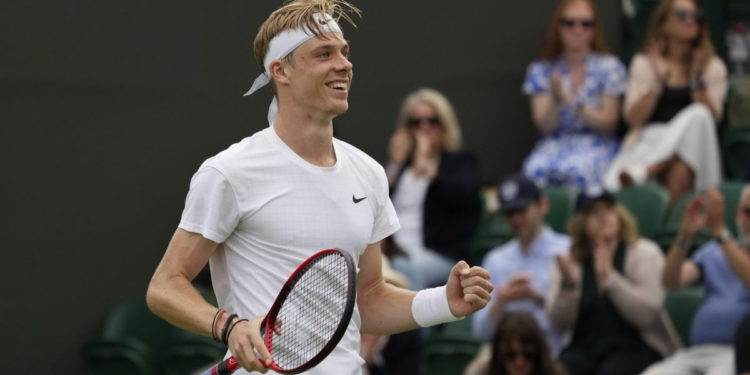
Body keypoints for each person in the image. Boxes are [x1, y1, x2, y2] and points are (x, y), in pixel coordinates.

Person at [144, 2, 493, 374]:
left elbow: (369, 299)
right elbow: (165, 287)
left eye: (344, 52)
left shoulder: (369, 174)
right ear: (281, 70)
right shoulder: (228, 172)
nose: (344, 64)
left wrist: (444, 302)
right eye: (323, 54)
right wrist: (228, 326)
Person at [603, 0, 727, 207]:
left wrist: (697, 79)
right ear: (663, 23)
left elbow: (712, 120)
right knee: (680, 165)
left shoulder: (712, 67)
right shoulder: (643, 64)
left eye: (696, 16)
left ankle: (645, 171)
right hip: (650, 143)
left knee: (699, 115)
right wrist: (659, 80)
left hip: (698, 147)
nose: (690, 21)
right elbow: (634, 118)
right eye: (681, 15)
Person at [547, 188, 679, 375]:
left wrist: (611, 279)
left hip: (636, 348)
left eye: (608, 209)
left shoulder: (645, 253)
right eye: (594, 212)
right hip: (583, 349)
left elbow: (647, 313)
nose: (603, 218)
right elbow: (557, 323)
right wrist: (567, 288)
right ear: (581, 222)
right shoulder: (570, 261)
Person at [643, 187, 750, 375]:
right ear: (738, 212)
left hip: (737, 355)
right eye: (748, 212)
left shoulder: (722, 241)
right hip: (695, 352)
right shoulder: (714, 251)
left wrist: (720, 233)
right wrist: (684, 236)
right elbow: (670, 281)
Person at [522, 0, 626, 190]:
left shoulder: (609, 67)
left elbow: (608, 123)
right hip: (554, 144)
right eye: (569, 23)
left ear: (595, 29)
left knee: (579, 170)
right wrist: (554, 99)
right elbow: (544, 127)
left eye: (586, 24)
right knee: (533, 169)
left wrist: (571, 101)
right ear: (558, 27)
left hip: (598, 145)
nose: (577, 30)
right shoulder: (542, 69)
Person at [385, 88, 482, 291]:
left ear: (444, 124)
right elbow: (378, 206)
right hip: (395, 253)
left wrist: (430, 171)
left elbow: (461, 198)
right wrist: (394, 165)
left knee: (406, 271)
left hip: (442, 256)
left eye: (432, 120)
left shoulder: (460, 162)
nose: (424, 128)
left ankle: (417, 324)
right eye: (416, 122)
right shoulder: (401, 168)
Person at [472, 175, 570, 355]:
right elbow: (481, 332)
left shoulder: (567, 251)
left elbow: (579, 321)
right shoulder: (496, 259)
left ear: (542, 205)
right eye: (510, 213)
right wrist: (502, 299)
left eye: (522, 210)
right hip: (507, 355)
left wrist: (537, 298)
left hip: (555, 353)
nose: (516, 219)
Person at [464, 312, 567, 375]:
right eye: (511, 355)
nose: (520, 362)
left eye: (528, 354)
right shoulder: (480, 372)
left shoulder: (555, 372)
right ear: (499, 354)